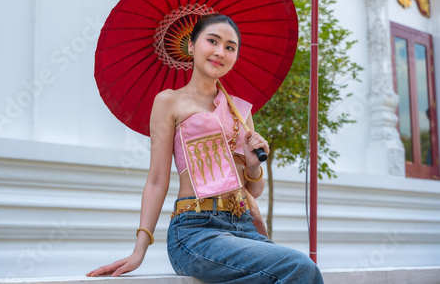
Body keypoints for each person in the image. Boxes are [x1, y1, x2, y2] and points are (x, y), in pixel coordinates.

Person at [87, 14, 324, 283]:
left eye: (230, 47)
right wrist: (139, 250)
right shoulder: (169, 101)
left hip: (243, 226)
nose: (220, 52)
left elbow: (253, 190)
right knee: (300, 267)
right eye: (212, 41)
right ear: (191, 45)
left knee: (295, 271)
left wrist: (254, 165)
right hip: (196, 230)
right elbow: (156, 181)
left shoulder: (240, 110)